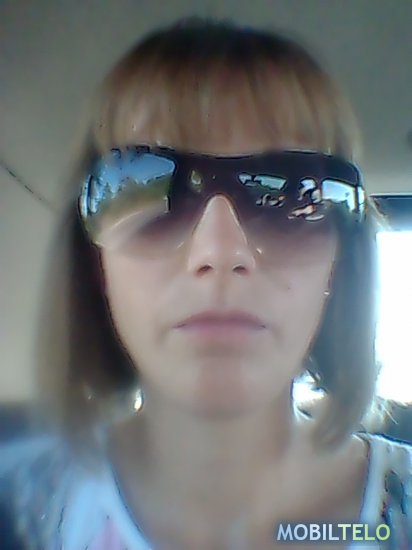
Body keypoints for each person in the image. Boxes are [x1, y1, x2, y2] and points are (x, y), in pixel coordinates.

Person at [1, 16, 411, 550]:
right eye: (146, 184)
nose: (220, 252)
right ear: (94, 262)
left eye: (288, 194)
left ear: (341, 262)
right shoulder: (20, 507)